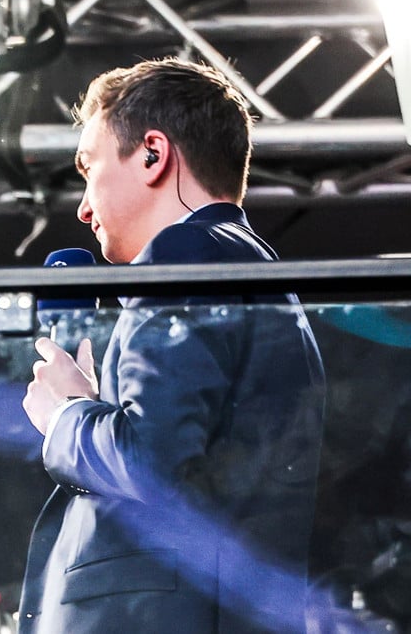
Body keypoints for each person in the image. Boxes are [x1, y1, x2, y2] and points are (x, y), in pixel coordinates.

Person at [18, 58, 326, 633]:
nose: (83, 207)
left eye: (90, 169)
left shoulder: (186, 252)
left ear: (153, 155)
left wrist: (64, 416)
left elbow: (154, 462)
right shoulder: (245, 262)